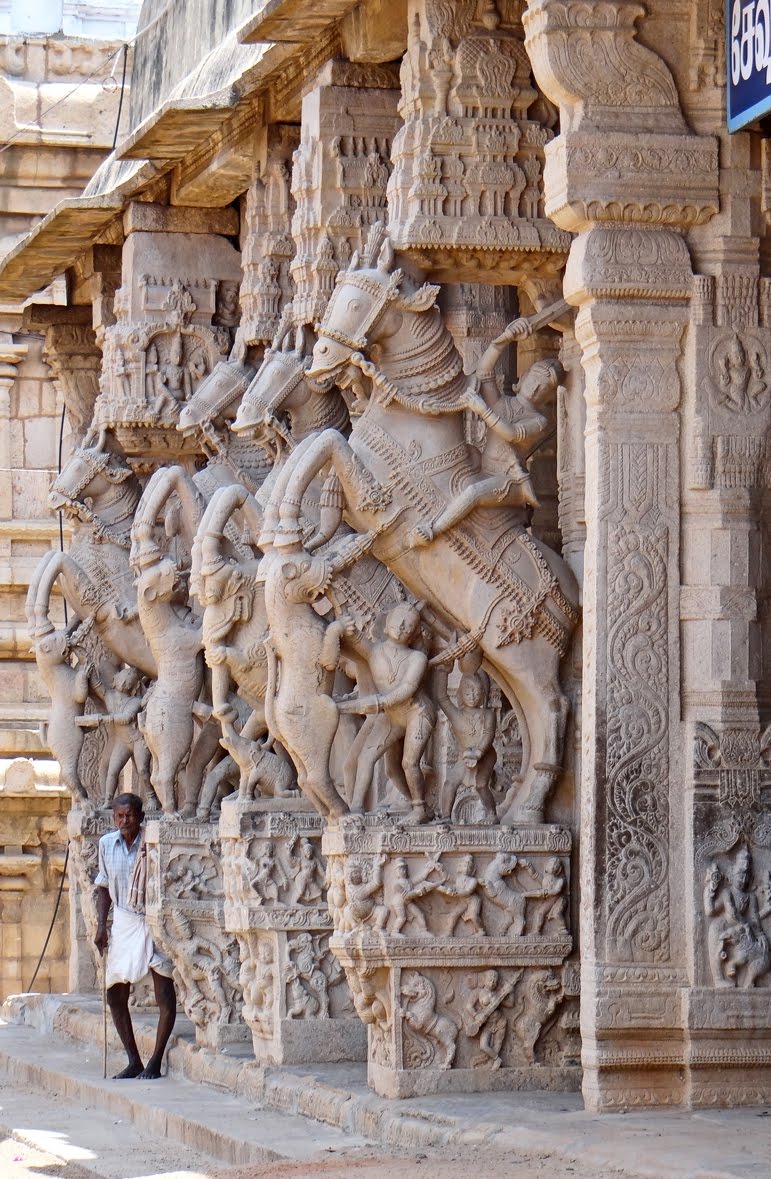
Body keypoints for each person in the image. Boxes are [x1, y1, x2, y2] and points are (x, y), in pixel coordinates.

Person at [94, 793, 177, 1079]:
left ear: (140, 817)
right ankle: (134, 1060)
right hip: (125, 920)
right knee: (115, 995)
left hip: (153, 919)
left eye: (129, 815)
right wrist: (101, 925)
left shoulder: (152, 843)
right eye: (119, 816)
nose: (124, 820)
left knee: (164, 991)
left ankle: (155, 1061)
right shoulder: (106, 844)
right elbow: (103, 887)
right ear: (114, 817)